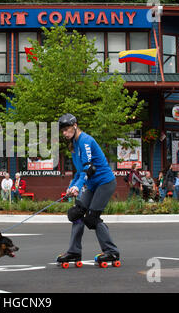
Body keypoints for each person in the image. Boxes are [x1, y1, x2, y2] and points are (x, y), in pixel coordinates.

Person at [56, 113, 119, 265]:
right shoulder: (74, 144)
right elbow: (79, 172)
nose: (64, 133)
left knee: (92, 218)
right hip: (91, 184)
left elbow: (88, 168)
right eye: (62, 131)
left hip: (105, 183)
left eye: (66, 129)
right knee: (76, 213)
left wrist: (78, 187)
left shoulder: (85, 141)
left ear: (75, 125)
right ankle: (74, 252)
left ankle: (111, 252)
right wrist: (71, 187)